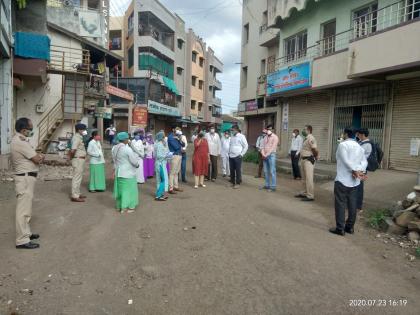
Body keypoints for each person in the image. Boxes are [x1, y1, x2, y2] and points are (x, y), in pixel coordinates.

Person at [11, 118, 44, 249]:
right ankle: (22, 240)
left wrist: (38, 156)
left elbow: (35, 156)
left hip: (26, 178)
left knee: (26, 209)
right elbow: (36, 158)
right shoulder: (20, 142)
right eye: (30, 128)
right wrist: (40, 157)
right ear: (23, 130)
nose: (32, 130)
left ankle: (26, 233)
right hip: (24, 178)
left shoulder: (22, 140)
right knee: (23, 210)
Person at [330, 127, 367, 236]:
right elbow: (364, 162)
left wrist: (355, 170)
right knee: (352, 204)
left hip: (342, 179)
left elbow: (345, 161)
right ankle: (349, 227)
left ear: (345, 134)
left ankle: (340, 228)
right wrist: (359, 170)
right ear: (355, 134)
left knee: (340, 204)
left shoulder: (342, 145)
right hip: (354, 181)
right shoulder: (359, 146)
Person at [112, 132, 140, 213]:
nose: (128, 140)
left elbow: (114, 160)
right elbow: (134, 161)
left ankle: (120, 206)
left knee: (120, 190)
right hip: (128, 173)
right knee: (130, 190)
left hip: (119, 172)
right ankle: (129, 207)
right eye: (128, 138)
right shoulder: (127, 149)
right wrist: (137, 165)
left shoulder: (114, 148)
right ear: (125, 139)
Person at [295, 125, 319, 202]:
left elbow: (314, 149)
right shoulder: (306, 138)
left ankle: (310, 195)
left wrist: (314, 157)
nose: (303, 130)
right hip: (303, 160)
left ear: (309, 130)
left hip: (308, 160)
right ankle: (304, 192)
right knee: (304, 178)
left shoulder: (311, 138)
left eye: (304, 129)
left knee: (309, 178)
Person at [69, 123, 88, 202]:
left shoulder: (79, 137)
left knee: (79, 177)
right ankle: (75, 196)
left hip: (80, 159)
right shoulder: (76, 137)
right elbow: (73, 150)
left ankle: (77, 193)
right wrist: (71, 158)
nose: (84, 131)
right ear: (79, 130)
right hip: (77, 159)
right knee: (76, 178)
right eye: (83, 130)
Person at [356, 128, 372, 212]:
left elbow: (360, 156)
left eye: (358, 134)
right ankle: (355, 204)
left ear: (362, 135)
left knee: (359, 187)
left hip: (362, 169)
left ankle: (358, 206)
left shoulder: (367, 145)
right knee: (356, 186)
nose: (358, 136)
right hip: (358, 167)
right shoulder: (361, 142)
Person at [154, 131, 171, 201]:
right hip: (161, 164)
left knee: (159, 180)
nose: (164, 137)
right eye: (163, 136)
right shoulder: (160, 144)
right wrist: (166, 156)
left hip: (159, 164)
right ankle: (158, 195)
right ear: (161, 137)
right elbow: (158, 155)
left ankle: (160, 194)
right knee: (164, 180)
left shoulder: (158, 143)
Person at [167, 126, 185, 194]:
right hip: (174, 155)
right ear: (173, 130)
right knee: (172, 172)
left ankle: (176, 186)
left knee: (176, 172)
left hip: (179, 155)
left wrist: (179, 139)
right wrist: (178, 140)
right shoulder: (170, 137)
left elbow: (183, 144)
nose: (178, 132)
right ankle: (170, 188)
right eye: (177, 130)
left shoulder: (178, 137)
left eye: (179, 130)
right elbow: (176, 147)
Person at [261, 125, 279, 192]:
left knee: (272, 171)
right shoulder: (265, 137)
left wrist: (266, 155)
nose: (269, 130)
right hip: (265, 155)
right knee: (266, 171)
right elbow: (262, 146)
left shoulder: (275, 137)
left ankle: (273, 187)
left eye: (270, 129)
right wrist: (263, 154)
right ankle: (267, 185)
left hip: (271, 155)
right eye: (268, 129)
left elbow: (273, 148)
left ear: (273, 130)